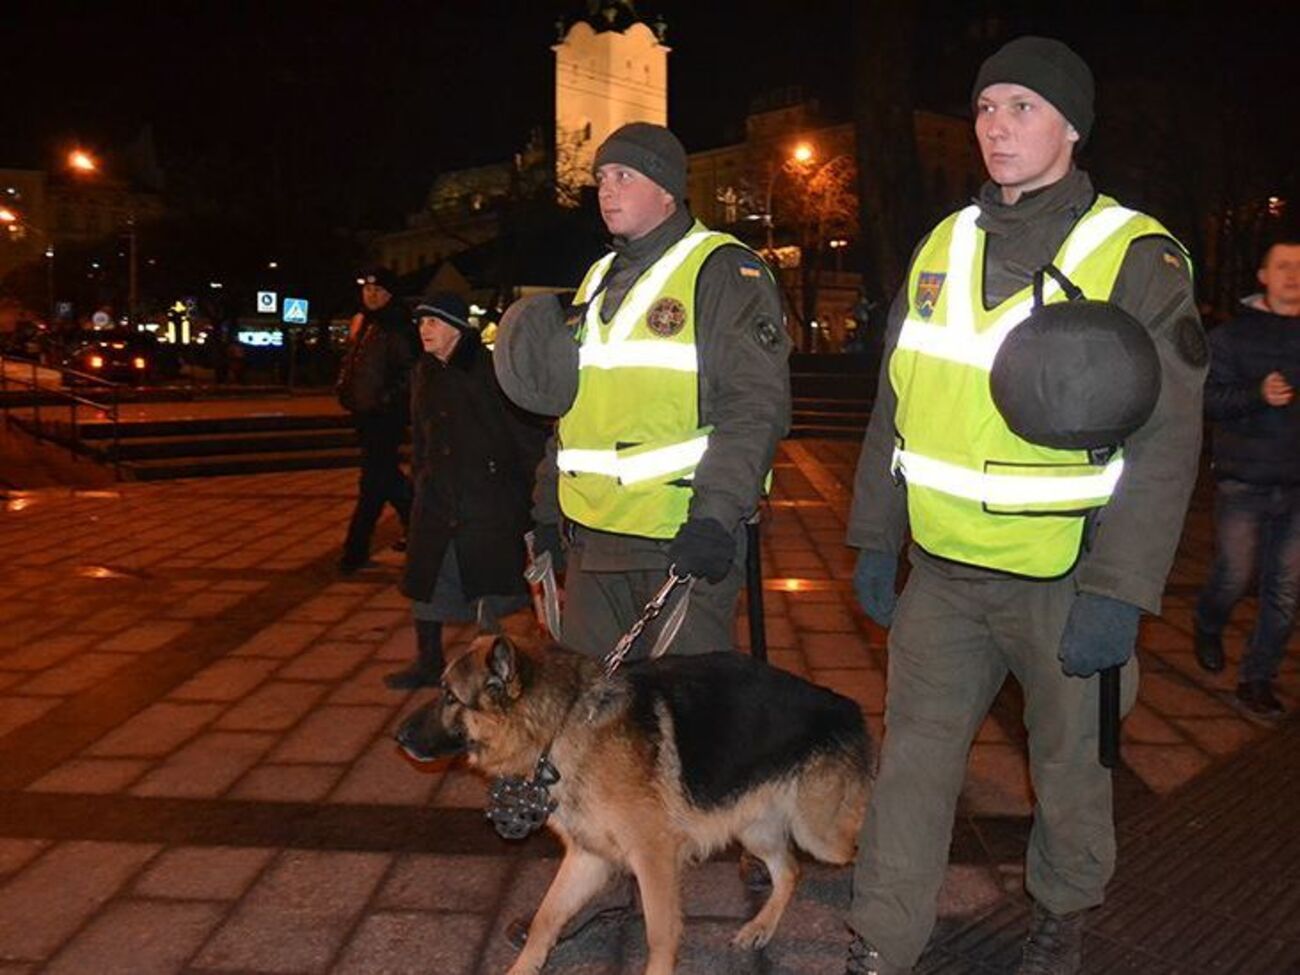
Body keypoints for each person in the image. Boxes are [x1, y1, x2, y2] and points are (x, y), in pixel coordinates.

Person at [843, 37, 1206, 975]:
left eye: (1024, 108)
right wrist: (875, 535)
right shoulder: (942, 242)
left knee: (1072, 774)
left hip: (1068, 575)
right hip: (946, 573)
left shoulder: (1135, 253)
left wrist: (1121, 591)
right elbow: (896, 398)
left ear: (1073, 126)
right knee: (913, 768)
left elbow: (1167, 437)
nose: (998, 127)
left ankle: (1063, 917)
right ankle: (884, 938)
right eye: (987, 108)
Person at [496, 122, 791, 661]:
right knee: (591, 720)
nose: (606, 190)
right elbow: (572, 408)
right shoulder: (597, 277)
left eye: (623, 176)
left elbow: (754, 407)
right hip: (591, 538)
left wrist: (715, 517)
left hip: (678, 537)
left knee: (680, 722)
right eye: (602, 177)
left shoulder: (722, 269)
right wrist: (544, 510)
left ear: (666, 189)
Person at [386, 293, 547, 690]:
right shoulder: (424, 371)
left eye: (434, 323)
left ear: (457, 328)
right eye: (421, 323)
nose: (424, 330)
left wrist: (534, 495)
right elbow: (421, 434)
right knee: (428, 581)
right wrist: (420, 478)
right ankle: (427, 661)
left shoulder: (490, 370)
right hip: (437, 498)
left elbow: (522, 433)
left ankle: (504, 673)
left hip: (486, 501)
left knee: (494, 591)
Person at [1193, 232, 1300, 719]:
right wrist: (1257, 394)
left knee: (1284, 592)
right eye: (1283, 266)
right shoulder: (1230, 337)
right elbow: (1209, 399)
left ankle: (1257, 680)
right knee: (1234, 576)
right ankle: (1208, 621)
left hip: (1296, 488)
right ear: (1263, 276)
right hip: (1243, 483)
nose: (1293, 277)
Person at [336, 267, 418, 574]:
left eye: (378, 291)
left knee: (373, 483)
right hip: (365, 415)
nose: (371, 295)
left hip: (385, 417)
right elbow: (353, 364)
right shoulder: (365, 324)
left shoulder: (396, 326)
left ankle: (354, 552)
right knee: (386, 480)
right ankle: (419, 528)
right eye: (367, 290)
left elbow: (409, 373)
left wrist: (384, 400)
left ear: (389, 295)